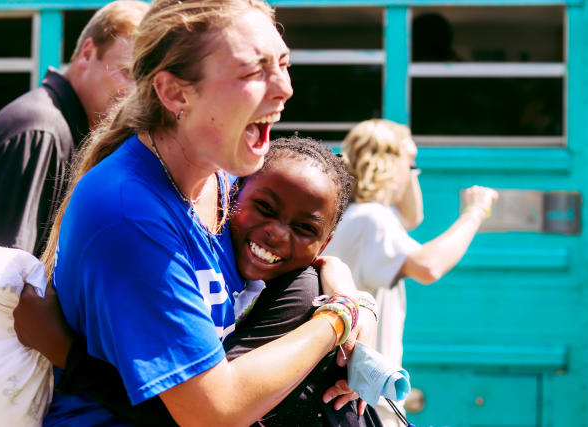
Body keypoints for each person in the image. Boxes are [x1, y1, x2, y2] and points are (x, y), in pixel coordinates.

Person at [29, 1, 375, 425]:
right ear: (175, 93)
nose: (284, 88)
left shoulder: (224, 182)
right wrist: (339, 319)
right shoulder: (131, 214)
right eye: (253, 71)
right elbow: (214, 412)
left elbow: (304, 265)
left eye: (283, 64)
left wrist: (341, 285)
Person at [16, 137, 384, 426]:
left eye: (304, 229)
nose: (276, 234)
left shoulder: (303, 296)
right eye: (266, 208)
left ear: (324, 243)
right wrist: (352, 301)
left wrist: (67, 352)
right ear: (234, 192)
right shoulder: (195, 229)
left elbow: (199, 413)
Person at [323, 118, 498, 426]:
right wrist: (476, 212)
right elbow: (429, 266)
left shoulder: (361, 217)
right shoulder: (372, 220)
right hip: (366, 398)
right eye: (411, 162)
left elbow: (413, 217)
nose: (414, 172)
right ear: (389, 165)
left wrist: (407, 169)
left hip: (361, 392)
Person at [0, 1, 149, 257]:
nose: (134, 93)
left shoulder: (60, 127)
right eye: (126, 72)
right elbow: (5, 285)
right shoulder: (41, 133)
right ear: (87, 52)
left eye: (143, 82)